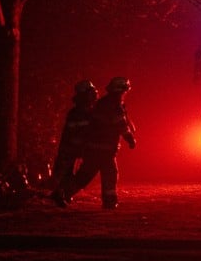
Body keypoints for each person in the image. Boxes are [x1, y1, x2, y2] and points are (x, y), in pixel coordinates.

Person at [57, 76, 136, 209]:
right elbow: (120, 124)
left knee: (86, 174)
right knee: (109, 173)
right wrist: (130, 138)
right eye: (124, 91)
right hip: (104, 148)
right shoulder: (113, 105)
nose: (125, 94)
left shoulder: (103, 103)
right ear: (120, 91)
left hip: (96, 147)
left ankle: (64, 193)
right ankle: (109, 201)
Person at [49, 80, 99, 207]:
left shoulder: (90, 111)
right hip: (71, 148)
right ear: (84, 95)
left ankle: (65, 193)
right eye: (91, 93)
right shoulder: (77, 113)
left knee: (87, 170)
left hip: (80, 147)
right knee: (65, 172)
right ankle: (61, 194)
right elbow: (74, 133)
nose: (94, 95)